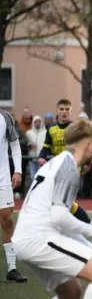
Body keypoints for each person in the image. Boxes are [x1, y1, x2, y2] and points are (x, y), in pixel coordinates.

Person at [12, 119, 92, 298]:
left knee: (71, 293)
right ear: (87, 143)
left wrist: (87, 246)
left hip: (28, 238)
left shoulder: (59, 162)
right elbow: (59, 217)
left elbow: (59, 218)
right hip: (39, 239)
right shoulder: (68, 168)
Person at [37, 99, 92, 226]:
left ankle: (88, 228)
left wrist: (87, 163)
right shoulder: (51, 129)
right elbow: (46, 147)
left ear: (71, 111)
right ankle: (86, 228)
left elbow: (86, 147)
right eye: (61, 109)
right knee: (63, 203)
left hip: (73, 169)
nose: (64, 112)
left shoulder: (76, 128)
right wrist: (41, 157)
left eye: (67, 109)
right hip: (58, 170)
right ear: (57, 111)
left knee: (63, 202)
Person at [1, 110, 27, 282]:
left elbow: (15, 144)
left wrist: (17, 170)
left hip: (2, 178)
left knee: (7, 220)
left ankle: (12, 268)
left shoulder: (5, 117)